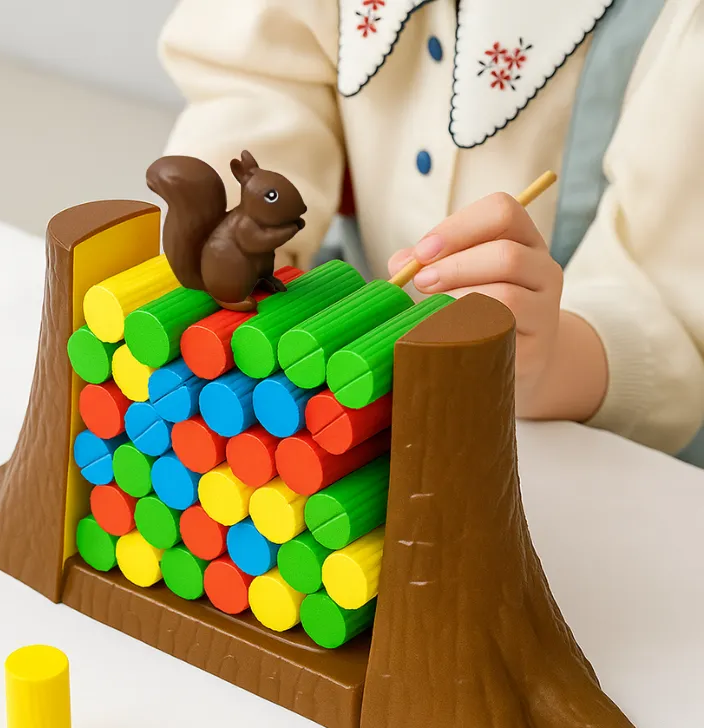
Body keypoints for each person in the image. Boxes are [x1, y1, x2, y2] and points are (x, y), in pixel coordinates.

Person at [157, 0, 704, 462]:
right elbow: (259, 82)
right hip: (334, 381)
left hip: (564, 445)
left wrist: (549, 359)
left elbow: (669, 302)